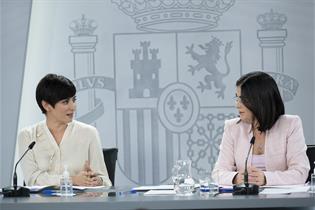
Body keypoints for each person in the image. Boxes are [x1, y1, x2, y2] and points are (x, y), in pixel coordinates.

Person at [212, 71, 310, 186]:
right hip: (244, 201)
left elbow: (300, 173)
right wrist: (236, 178)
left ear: (260, 100)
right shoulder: (232, 127)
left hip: (282, 202)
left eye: (243, 99)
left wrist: (265, 178)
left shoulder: (290, 124)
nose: (237, 105)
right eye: (237, 98)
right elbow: (218, 173)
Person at [18, 73, 112, 186]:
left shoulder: (89, 133)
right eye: (65, 102)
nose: (73, 107)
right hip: (41, 203)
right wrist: (71, 180)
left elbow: (106, 181)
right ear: (46, 105)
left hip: (79, 202)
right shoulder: (28, 135)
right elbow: (32, 180)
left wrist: (96, 181)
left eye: (74, 100)